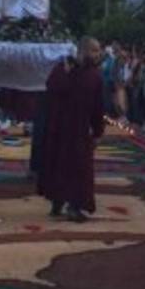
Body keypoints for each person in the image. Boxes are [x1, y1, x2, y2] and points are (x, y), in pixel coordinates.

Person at [38, 38, 105, 221]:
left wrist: (98, 130)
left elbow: (98, 106)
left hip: (81, 129)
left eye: (98, 51)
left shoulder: (95, 75)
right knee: (57, 163)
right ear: (81, 51)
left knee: (79, 168)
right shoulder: (63, 68)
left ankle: (75, 206)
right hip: (59, 127)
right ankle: (57, 201)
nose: (97, 54)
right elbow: (51, 88)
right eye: (93, 50)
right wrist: (66, 74)